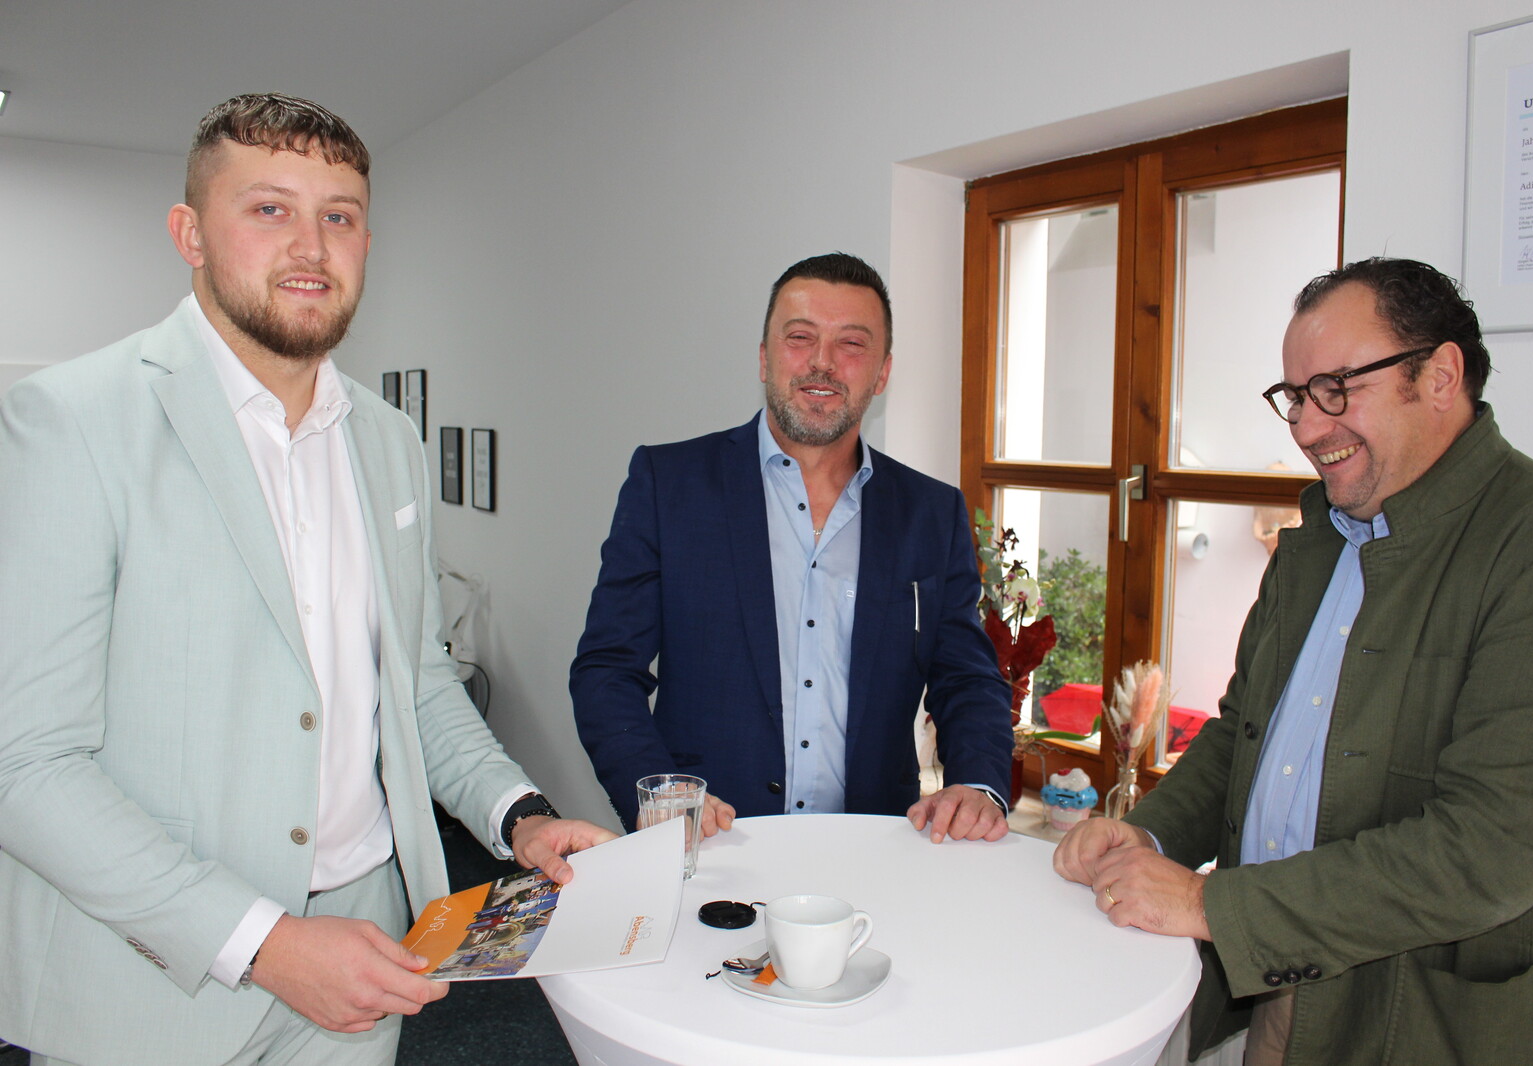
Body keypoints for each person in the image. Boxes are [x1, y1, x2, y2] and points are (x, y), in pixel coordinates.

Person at [0, 93, 615, 1066]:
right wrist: (267, 943)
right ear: (190, 233)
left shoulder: (390, 441)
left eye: (338, 215)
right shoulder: (70, 422)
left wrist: (522, 817)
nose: (311, 246)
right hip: (150, 978)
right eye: (269, 209)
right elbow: (27, 763)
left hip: (362, 953)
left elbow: (417, 686)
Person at [1052, 257, 1533, 1065]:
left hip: (1429, 1022)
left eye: (1337, 390)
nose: (1309, 429)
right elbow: (1241, 736)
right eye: (1296, 397)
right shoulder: (1316, 539)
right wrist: (1145, 839)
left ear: (1440, 376)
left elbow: (1487, 851)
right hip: (1272, 986)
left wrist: (1212, 904)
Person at [571, 253, 1013, 844]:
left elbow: (967, 678)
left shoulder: (931, 512)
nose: (822, 361)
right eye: (800, 337)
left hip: (874, 850)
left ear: (882, 373)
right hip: (710, 845)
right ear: (764, 357)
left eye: (851, 344)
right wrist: (658, 794)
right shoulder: (668, 484)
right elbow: (607, 671)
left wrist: (978, 785)